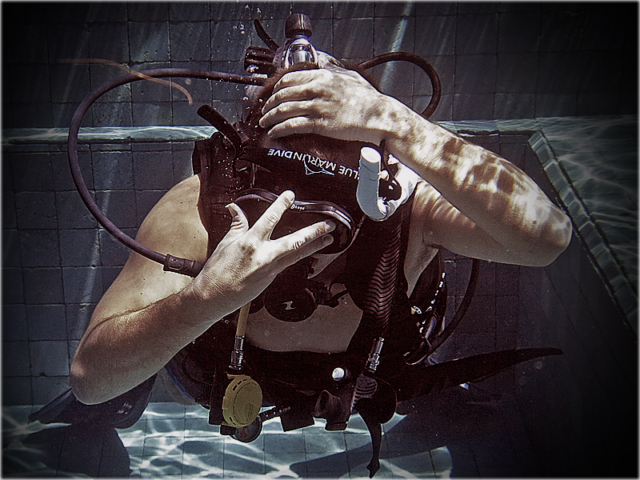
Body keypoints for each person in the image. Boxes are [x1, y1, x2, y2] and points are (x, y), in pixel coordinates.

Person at [65, 41, 571, 473]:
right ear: (247, 171)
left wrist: (399, 122)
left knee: (413, 383)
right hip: (218, 372)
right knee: (115, 390)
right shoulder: (199, 212)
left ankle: (440, 397)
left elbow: (547, 235)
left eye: (332, 195)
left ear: (378, 175)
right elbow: (89, 378)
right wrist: (204, 300)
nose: (307, 227)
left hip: (375, 369)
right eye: (282, 193)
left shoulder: (408, 208)